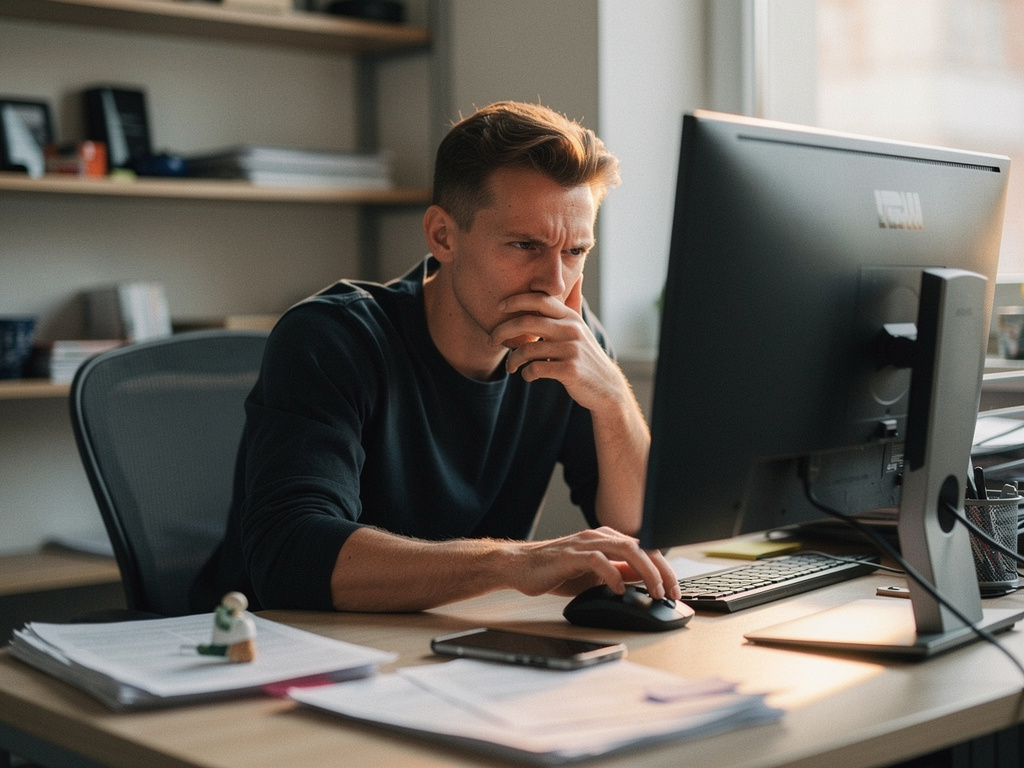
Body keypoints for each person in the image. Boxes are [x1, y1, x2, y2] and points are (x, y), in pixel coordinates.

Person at [191, 100, 680, 613]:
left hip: (442, 644)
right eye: (523, 245)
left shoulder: (572, 349)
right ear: (443, 235)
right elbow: (292, 558)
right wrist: (516, 564)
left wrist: (614, 401)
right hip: (264, 647)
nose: (555, 284)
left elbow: (643, 546)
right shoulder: (332, 339)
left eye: (575, 252)